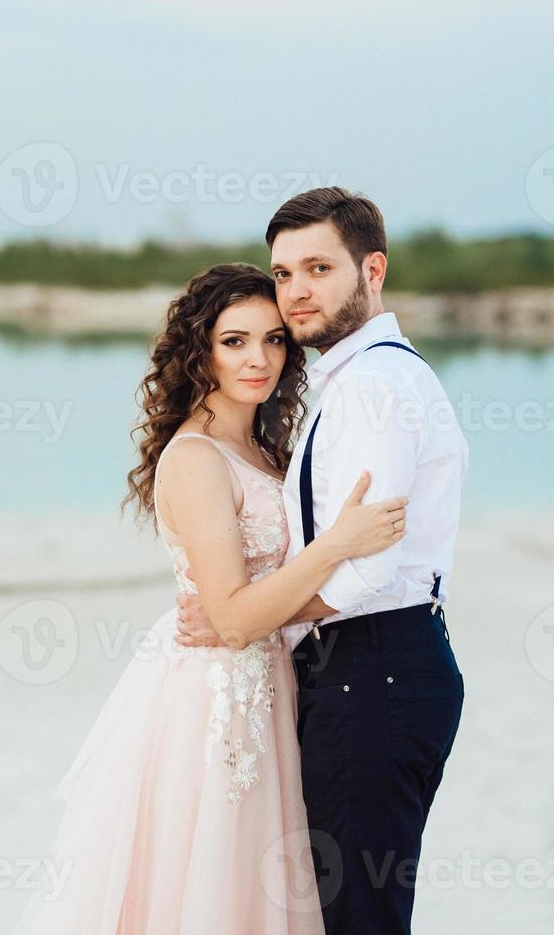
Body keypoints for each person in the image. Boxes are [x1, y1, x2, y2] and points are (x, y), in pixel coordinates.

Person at [13, 261, 409, 934]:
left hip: (273, 689)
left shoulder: (263, 452)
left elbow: (255, 601)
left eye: (275, 339)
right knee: (207, 888)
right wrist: (337, 544)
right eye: (235, 341)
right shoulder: (196, 458)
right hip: (213, 708)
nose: (259, 359)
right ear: (200, 351)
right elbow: (229, 618)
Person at [177, 188, 469, 935]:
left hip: (374, 669)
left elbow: (366, 571)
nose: (297, 292)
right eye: (284, 273)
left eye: (318, 267)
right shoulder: (360, 379)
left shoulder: (371, 388)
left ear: (372, 270)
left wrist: (241, 615)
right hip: (373, 669)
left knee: (359, 917)